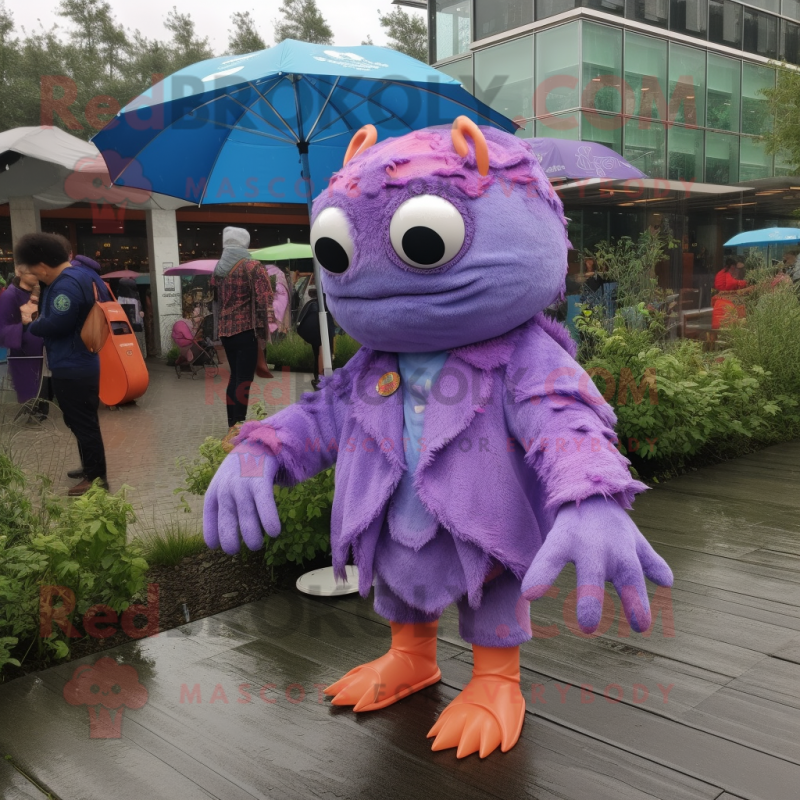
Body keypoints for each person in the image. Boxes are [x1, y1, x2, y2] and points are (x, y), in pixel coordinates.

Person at [15, 232, 110, 496]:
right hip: (79, 362)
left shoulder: (66, 285)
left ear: (43, 266)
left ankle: (96, 478)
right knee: (80, 421)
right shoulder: (78, 275)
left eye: (32, 269)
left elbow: (57, 323)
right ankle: (90, 467)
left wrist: (31, 323)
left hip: (73, 365)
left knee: (83, 423)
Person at [211, 227, 273, 429]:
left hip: (226, 332)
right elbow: (265, 298)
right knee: (244, 380)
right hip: (247, 330)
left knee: (235, 377)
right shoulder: (253, 266)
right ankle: (239, 425)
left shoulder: (218, 270)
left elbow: (215, 299)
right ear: (244, 244)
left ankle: (232, 424)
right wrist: (265, 332)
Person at [0, 264, 51, 419]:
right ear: (19, 272)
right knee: (29, 379)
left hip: (40, 345)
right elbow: (3, 328)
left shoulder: (39, 291)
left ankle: (41, 407)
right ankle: (33, 408)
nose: (35, 276)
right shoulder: (10, 295)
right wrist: (23, 323)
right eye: (31, 273)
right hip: (23, 348)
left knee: (42, 378)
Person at [296, 283, 335, 389]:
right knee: (325, 350)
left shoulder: (317, 295)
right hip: (324, 324)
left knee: (318, 351)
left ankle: (318, 378)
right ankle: (321, 379)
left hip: (316, 324)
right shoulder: (329, 295)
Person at [116, 278, 146, 357]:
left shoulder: (119, 299)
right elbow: (138, 316)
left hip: (122, 327)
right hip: (136, 327)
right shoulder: (135, 298)